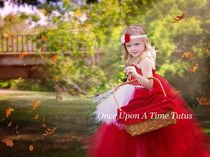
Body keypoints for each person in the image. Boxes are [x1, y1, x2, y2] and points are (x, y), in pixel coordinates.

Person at [85, 24, 210, 157]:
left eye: (137, 44)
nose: (133, 49)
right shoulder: (133, 59)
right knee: (127, 126)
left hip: (147, 96)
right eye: (129, 46)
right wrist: (128, 79)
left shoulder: (145, 60)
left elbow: (149, 84)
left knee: (147, 127)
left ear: (145, 43)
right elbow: (135, 81)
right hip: (135, 93)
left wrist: (136, 74)